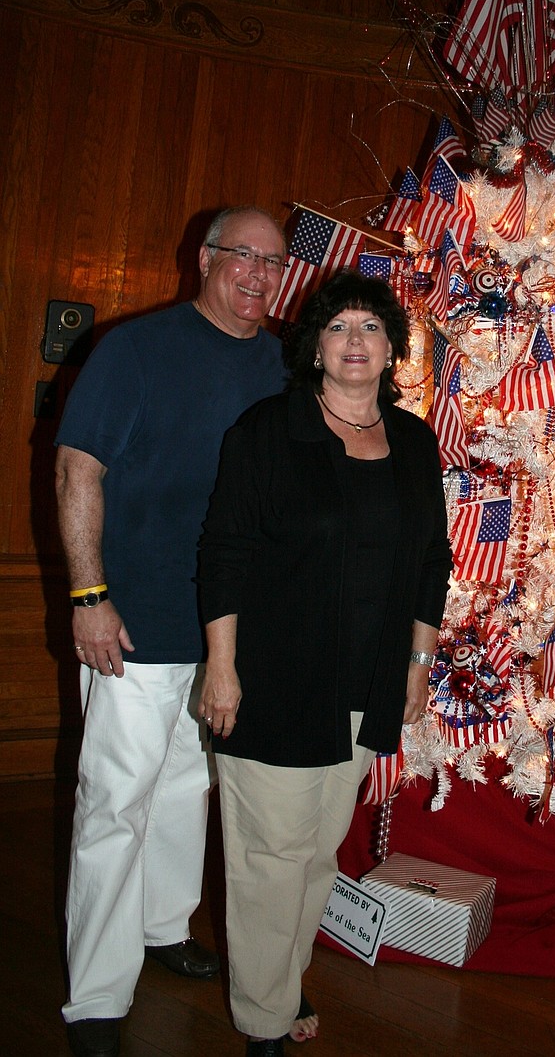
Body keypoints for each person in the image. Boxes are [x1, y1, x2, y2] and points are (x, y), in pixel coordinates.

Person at [196, 269, 452, 1055]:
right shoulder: (268, 431)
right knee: (271, 855)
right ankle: (263, 1020)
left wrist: (418, 662)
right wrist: (221, 666)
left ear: (391, 348)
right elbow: (225, 552)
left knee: (313, 853)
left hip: (366, 682)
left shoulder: (413, 441)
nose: (354, 340)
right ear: (315, 346)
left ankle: (281, 975)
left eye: (371, 326)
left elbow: (431, 562)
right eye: (338, 326)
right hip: (275, 680)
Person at [55, 207, 289, 1057]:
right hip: (136, 621)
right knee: (116, 801)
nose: (257, 273)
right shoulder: (135, 349)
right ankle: (95, 994)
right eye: (241, 255)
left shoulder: (282, 362)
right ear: (205, 258)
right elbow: (77, 468)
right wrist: (90, 594)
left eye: (273, 261)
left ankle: (163, 925)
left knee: (189, 786)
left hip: (229, 630)